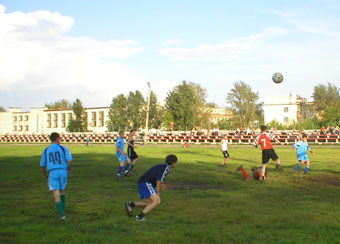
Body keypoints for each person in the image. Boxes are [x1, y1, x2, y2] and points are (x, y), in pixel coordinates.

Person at [125, 154, 178, 221]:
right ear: (173, 163)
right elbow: (158, 181)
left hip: (142, 182)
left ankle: (131, 204)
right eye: (176, 163)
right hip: (146, 183)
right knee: (157, 200)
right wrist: (158, 194)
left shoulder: (163, 166)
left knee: (149, 204)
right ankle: (140, 217)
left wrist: (162, 184)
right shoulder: (166, 168)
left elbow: (156, 177)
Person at [40, 132, 73, 219]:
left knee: (56, 192)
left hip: (52, 172)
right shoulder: (63, 148)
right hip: (63, 171)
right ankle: (63, 209)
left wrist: (45, 174)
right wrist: (69, 169)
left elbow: (42, 165)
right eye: (60, 138)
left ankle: (62, 215)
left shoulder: (46, 150)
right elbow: (70, 160)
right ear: (57, 138)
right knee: (62, 191)